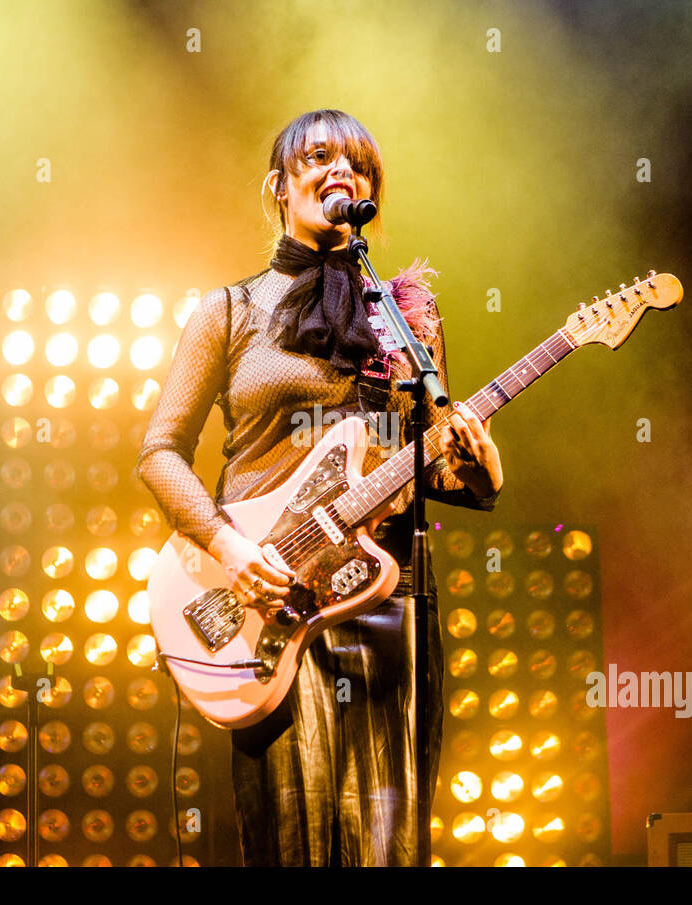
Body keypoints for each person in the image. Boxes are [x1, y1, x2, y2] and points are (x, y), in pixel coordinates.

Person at [136, 108, 503, 866]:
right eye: (321, 157)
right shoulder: (230, 311)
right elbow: (160, 452)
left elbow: (432, 461)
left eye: (360, 165)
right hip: (267, 595)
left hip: (385, 599)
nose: (344, 171)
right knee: (294, 841)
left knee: (387, 847)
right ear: (279, 187)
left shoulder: (406, 318)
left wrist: (479, 456)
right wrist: (227, 546)